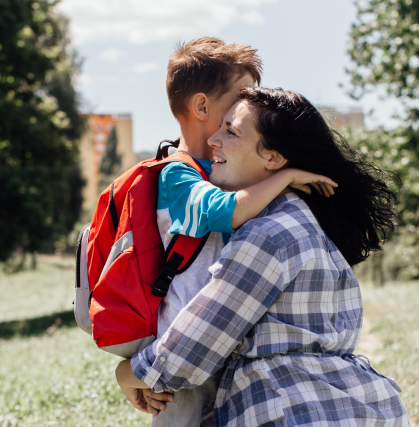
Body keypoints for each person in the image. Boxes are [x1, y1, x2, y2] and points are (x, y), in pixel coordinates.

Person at [116, 87, 410, 426]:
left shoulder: (269, 234)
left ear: (273, 158)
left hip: (290, 410)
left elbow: (191, 351)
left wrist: (126, 373)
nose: (213, 140)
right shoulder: (310, 222)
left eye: (231, 131)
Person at [123, 38, 338, 426]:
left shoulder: (223, 171)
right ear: (202, 106)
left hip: (220, 332)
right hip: (184, 336)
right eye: (242, 94)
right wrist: (285, 176)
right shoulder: (178, 172)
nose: (249, 103)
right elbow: (223, 212)